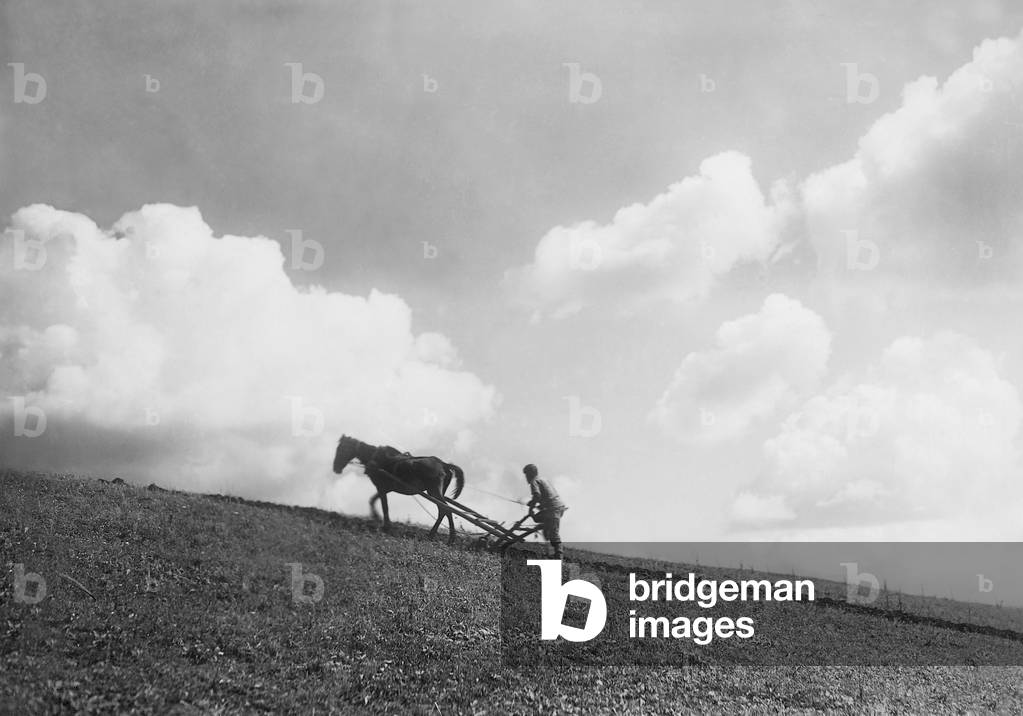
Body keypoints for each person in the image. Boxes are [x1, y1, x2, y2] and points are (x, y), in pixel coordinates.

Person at [523, 464, 567, 559]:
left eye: (526, 474)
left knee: (553, 532)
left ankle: (559, 556)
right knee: (542, 522)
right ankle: (549, 545)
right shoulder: (543, 479)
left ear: (530, 474)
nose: (526, 477)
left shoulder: (534, 482)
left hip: (553, 509)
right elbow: (548, 496)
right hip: (559, 506)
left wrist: (531, 508)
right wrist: (538, 505)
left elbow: (537, 496)